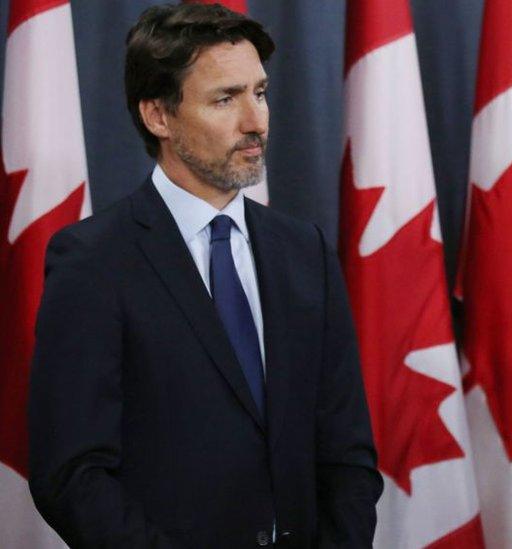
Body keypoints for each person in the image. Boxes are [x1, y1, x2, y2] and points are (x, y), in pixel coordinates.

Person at [28, 5, 382, 548]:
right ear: (158, 116)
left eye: (259, 93)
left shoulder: (303, 251)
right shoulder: (93, 261)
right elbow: (72, 474)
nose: (256, 121)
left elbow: (347, 452)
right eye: (225, 98)